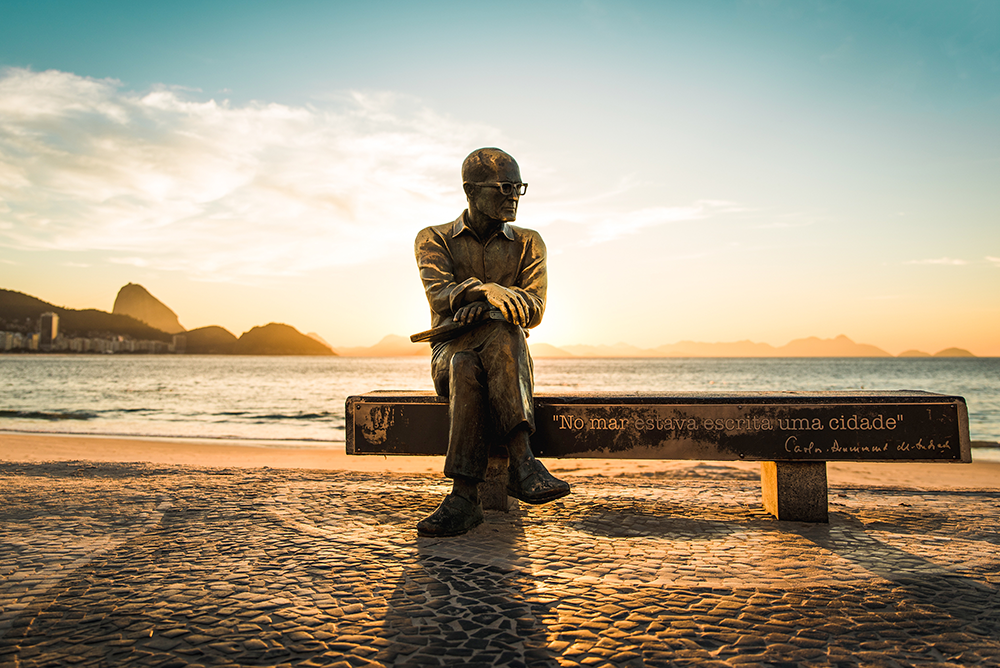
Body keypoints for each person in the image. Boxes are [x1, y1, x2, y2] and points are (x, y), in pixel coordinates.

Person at [413, 147, 571, 537]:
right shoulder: (433, 239)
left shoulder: (529, 243)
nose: (513, 195)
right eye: (504, 186)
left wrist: (482, 307)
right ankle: (523, 462)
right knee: (463, 356)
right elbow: (439, 295)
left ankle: (463, 497)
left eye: (519, 186)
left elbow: (532, 310)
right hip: (446, 349)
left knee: (480, 352)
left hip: (504, 357)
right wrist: (487, 291)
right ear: (470, 190)